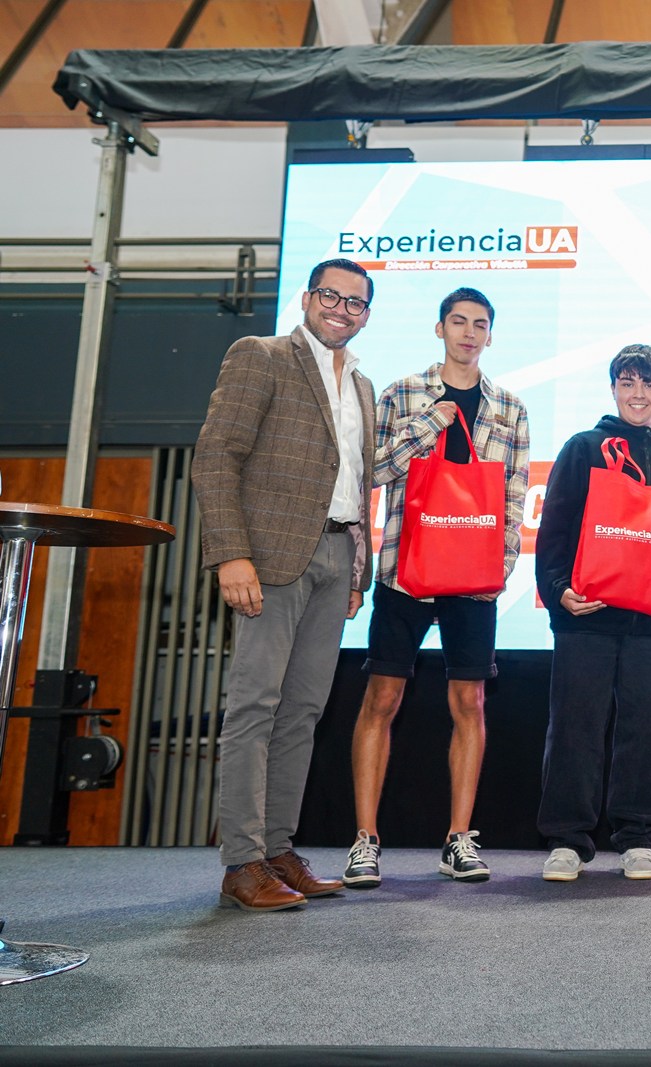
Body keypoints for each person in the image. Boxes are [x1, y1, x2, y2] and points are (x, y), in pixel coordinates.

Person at [192, 257, 376, 911]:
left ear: (366, 315)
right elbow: (216, 456)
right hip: (269, 559)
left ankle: (277, 849)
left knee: (302, 712)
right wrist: (231, 555)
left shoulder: (362, 385)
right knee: (255, 706)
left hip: (336, 558)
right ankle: (241, 861)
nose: (341, 308)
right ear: (307, 298)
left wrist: (360, 571)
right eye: (332, 294)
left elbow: (356, 479)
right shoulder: (261, 355)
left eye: (355, 302)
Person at [341, 287, 530, 888]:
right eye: (458, 322)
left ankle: (458, 839)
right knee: (381, 699)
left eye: (480, 323)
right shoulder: (402, 394)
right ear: (440, 328)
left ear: (490, 335)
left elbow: (513, 496)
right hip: (405, 569)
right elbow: (373, 470)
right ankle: (366, 840)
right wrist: (431, 422)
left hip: (472, 580)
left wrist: (498, 568)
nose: (468, 333)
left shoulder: (510, 406)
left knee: (469, 704)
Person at [533, 345, 651, 881]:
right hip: (585, 612)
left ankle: (637, 837)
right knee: (574, 727)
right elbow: (555, 528)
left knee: (645, 729)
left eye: (649, 385)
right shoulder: (583, 447)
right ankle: (567, 839)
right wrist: (557, 589)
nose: (639, 394)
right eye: (629, 383)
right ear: (614, 388)